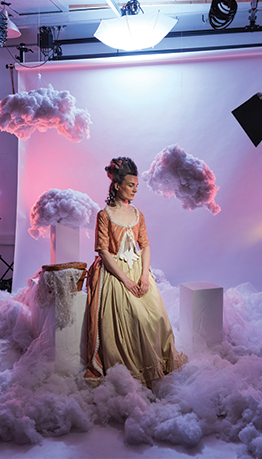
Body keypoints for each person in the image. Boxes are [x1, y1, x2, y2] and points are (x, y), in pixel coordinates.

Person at [83, 157, 187, 388]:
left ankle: (157, 364)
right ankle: (134, 371)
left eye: (136, 186)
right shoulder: (104, 214)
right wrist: (126, 280)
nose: (134, 190)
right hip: (115, 271)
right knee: (134, 316)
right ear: (117, 185)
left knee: (156, 317)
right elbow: (102, 251)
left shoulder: (138, 214)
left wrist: (143, 276)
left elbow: (146, 245)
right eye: (131, 185)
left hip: (138, 268)